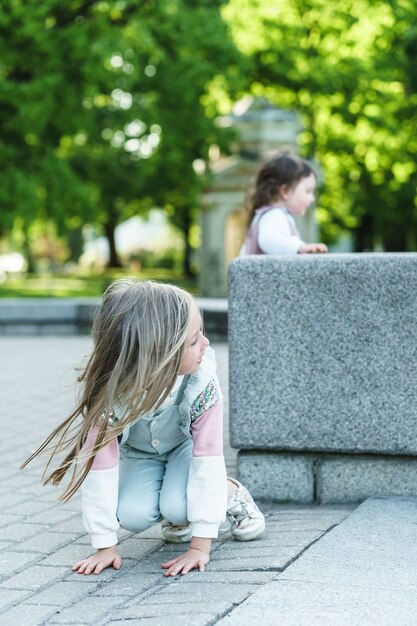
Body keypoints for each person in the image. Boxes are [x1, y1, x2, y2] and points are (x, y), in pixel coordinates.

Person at [21, 278, 265, 577]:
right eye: (193, 340)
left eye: (201, 334)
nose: (206, 343)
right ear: (158, 353)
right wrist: (105, 545)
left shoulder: (201, 383)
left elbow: (207, 460)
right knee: (133, 516)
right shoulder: (109, 393)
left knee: (178, 506)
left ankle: (229, 493)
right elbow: (100, 469)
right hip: (140, 454)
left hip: (185, 450)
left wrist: (200, 546)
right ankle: (180, 506)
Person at [241, 151, 328, 255]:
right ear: (285, 191)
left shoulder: (268, 215)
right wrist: (300, 247)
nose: (312, 198)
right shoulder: (274, 215)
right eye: (308, 191)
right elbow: (269, 240)